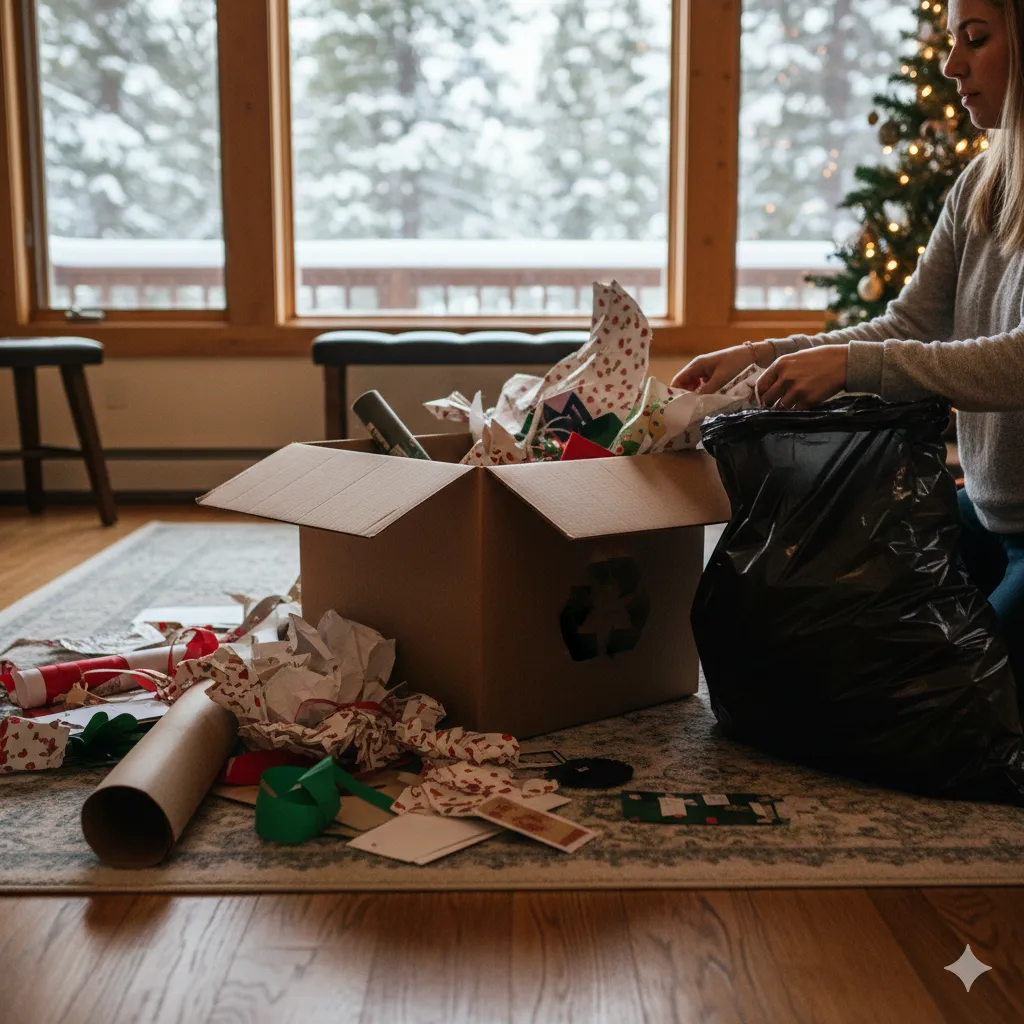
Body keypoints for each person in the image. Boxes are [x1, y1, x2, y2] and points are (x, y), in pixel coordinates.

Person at [673, 0, 1024, 689]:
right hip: (986, 516)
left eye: (976, 39)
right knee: (840, 642)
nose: (951, 66)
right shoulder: (978, 187)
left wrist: (856, 366)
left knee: (958, 702)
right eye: (952, 41)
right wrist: (760, 357)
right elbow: (907, 327)